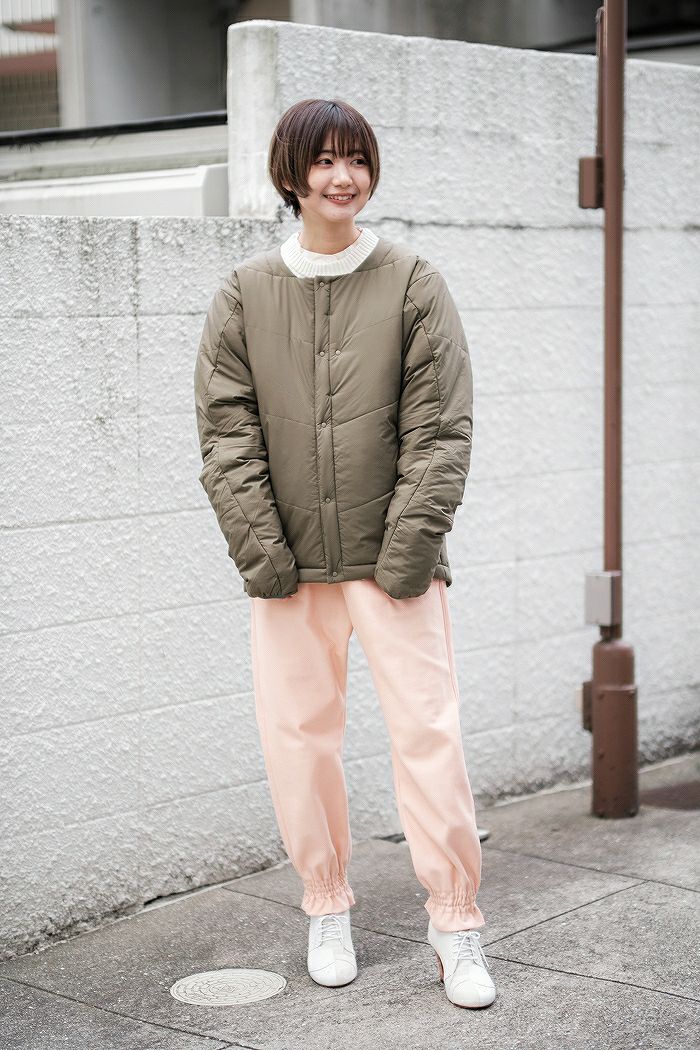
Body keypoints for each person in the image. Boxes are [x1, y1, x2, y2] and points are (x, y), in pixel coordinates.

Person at [193, 98, 496, 1010]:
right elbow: (227, 432)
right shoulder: (245, 292)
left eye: (356, 158)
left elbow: (440, 429)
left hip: (394, 563)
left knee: (429, 736)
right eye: (323, 160)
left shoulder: (412, 282)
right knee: (298, 742)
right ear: (291, 175)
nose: (342, 177)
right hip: (288, 569)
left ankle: (456, 923)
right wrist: (265, 554)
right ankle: (326, 903)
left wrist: (405, 556)